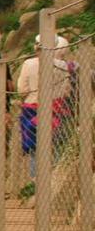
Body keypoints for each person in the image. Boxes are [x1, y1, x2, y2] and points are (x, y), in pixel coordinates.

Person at [17, 35, 73, 178]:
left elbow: (22, 90)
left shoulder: (29, 64)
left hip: (33, 109)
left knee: (36, 148)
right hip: (57, 109)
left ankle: (35, 182)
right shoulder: (63, 65)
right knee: (56, 144)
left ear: (36, 46)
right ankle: (55, 177)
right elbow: (66, 90)